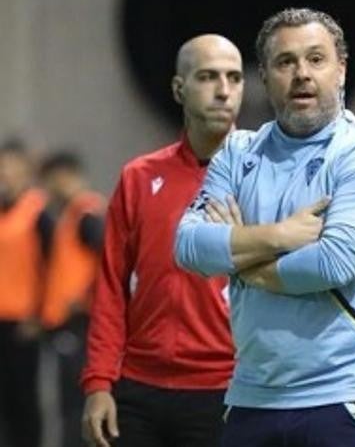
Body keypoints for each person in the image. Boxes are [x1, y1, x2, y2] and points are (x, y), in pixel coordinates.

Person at [174, 8, 355, 446]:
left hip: (345, 392)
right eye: (286, 62)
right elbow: (189, 245)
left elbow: (331, 263)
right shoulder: (237, 153)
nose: (302, 73)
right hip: (252, 394)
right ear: (265, 76)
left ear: (341, 69)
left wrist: (242, 262)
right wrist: (281, 236)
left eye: (316, 59)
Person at [81, 35, 245, 447]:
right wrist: (99, 382)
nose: (224, 91)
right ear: (179, 89)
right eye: (208, 77)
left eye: (234, 78)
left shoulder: (265, 177)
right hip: (137, 390)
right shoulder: (138, 177)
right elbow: (111, 289)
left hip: (226, 392)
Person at [38, 151, 107, 447]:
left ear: (63, 177)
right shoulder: (73, 214)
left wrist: (84, 299)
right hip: (71, 323)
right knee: (70, 404)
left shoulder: (86, 215)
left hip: (80, 325)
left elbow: (111, 261)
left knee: (76, 404)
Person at [0, 138, 51, 447]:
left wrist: (39, 315)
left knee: (24, 399)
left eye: (10, 165)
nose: (5, 172)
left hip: (24, 323)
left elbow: (52, 269)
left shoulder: (39, 212)